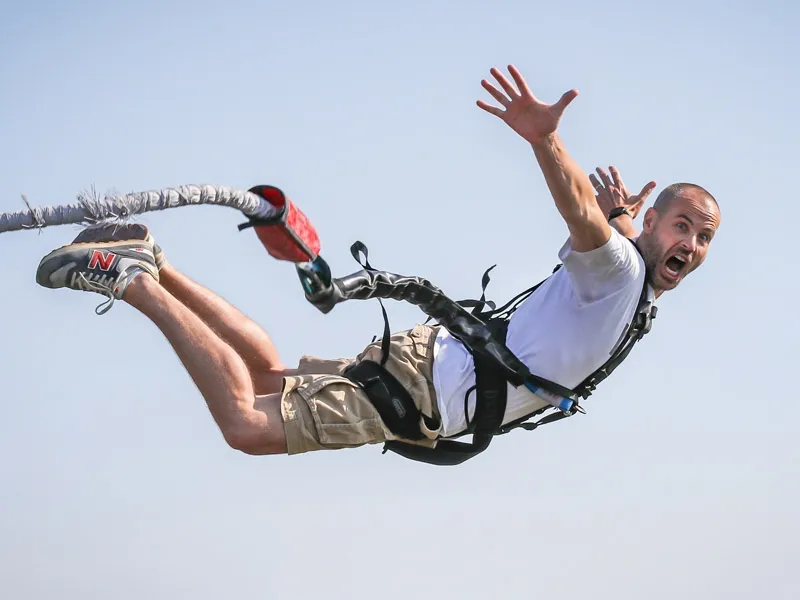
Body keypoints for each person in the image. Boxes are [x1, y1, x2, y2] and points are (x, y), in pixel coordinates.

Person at [34, 65, 721, 459]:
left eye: (703, 237)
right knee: (247, 425)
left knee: (270, 374)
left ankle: (154, 259)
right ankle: (129, 280)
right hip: (425, 391)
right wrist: (547, 144)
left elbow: (624, 234)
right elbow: (584, 216)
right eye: (681, 225)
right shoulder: (623, 276)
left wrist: (632, 215)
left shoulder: (631, 274)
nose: (689, 245)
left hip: (432, 358)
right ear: (656, 224)